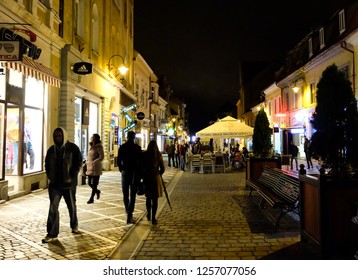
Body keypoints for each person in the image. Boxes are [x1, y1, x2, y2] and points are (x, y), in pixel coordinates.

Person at [43, 127, 82, 243]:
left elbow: (78, 162)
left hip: (68, 185)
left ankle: (74, 225)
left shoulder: (72, 148)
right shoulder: (51, 150)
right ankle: (52, 233)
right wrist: (50, 176)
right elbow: (47, 164)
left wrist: (72, 176)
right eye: (55, 136)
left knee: (71, 206)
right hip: (55, 185)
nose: (57, 138)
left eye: (59, 136)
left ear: (64, 136)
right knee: (53, 208)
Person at [117, 131, 142, 224]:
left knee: (125, 193)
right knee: (133, 194)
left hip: (125, 172)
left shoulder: (122, 147)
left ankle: (128, 210)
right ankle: (130, 213)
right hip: (134, 173)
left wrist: (121, 169)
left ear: (127, 137)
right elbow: (140, 162)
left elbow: (118, 160)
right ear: (134, 137)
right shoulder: (137, 148)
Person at [141, 140, 165, 225]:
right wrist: (158, 173)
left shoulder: (144, 154)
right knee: (155, 199)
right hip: (155, 178)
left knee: (148, 197)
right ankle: (154, 218)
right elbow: (162, 169)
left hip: (147, 178)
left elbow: (141, 167)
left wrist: (143, 175)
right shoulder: (158, 155)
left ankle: (148, 214)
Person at [85, 133, 104, 204]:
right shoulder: (90, 146)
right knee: (89, 183)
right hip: (89, 167)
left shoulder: (99, 147)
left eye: (92, 137)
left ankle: (91, 198)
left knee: (95, 184)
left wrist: (95, 162)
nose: (91, 138)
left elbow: (101, 157)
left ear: (95, 138)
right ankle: (97, 191)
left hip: (96, 167)